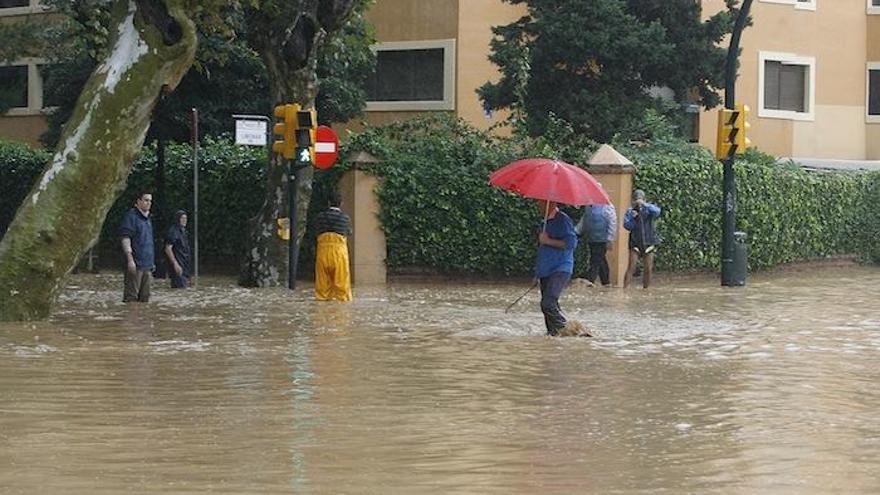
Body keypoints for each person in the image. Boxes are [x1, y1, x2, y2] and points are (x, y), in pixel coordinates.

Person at [534, 199, 578, 336]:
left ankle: (571, 331)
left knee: (548, 303)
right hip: (546, 270)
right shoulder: (545, 222)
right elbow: (543, 250)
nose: (538, 205)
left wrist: (547, 241)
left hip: (560, 268)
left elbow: (571, 243)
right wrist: (537, 273)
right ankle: (553, 335)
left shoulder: (563, 220)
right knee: (548, 309)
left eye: (540, 202)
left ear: (550, 203)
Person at [314, 190, 353, 301]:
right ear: (341, 203)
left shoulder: (320, 217)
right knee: (342, 288)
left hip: (322, 253)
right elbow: (349, 232)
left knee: (322, 287)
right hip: (340, 254)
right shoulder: (345, 218)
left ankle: (322, 312)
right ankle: (342, 314)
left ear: (328, 202)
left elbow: (316, 231)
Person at [119, 192, 155, 302]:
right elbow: (125, 238)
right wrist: (130, 260)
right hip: (135, 265)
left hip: (147, 265)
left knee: (145, 299)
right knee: (131, 299)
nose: (148, 203)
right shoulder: (131, 217)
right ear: (138, 202)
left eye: (150, 201)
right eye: (146, 200)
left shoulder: (148, 218)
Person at [624, 189, 662, 288]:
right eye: (636, 199)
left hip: (649, 241)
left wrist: (644, 205)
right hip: (635, 242)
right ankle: (625, 289)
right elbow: (627, 225)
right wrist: (633, 219)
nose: (638, 201)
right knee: (631, 267)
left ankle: (646, 289)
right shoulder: (630, 211)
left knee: (648, 268)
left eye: (640, 199)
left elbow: (658, 212)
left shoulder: (649, 209)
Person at [575, 203, 617, 286]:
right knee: (600, 259)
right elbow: (584, 220)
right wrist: (576, 231)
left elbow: (612, 222)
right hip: (592, 238)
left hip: (602, 239)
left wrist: (610, 239)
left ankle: (590, 280)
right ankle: (606, 282)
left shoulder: (607, 206)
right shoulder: (588, 207)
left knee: (595, 259)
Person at [164, 210, 191, 288]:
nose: (184, 220)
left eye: (185, 218)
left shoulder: (184, 232)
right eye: (182, 218)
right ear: (177, 219)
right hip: (178, 266)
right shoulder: (173, 231)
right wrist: (175, 263)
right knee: (180, 289)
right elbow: (168, 249)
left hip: (185, 266)